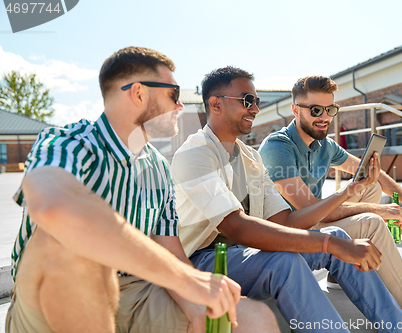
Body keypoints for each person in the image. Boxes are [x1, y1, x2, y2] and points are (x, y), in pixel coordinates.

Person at [5, 47, 280, 333]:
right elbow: (54, 209)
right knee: (65, 246)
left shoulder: (160, 168)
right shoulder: (67, 144)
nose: (180, 106)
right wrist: (185, 280)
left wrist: (196, 304)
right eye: (173, 95)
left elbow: (171, 250)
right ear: (138, 93)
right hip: (52, 297)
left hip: (138, 293)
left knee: (252, 319)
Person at [171, 66, 402, 333]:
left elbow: (286, 220)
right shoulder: (195, 154)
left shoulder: (251, 158)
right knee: (287, 261)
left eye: (256, 101)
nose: (255, 109)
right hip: (203, 259)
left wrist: (346, 193)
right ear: (215, 104)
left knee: (337, 234)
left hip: (247, 253)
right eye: (247, 101)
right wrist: (327, 243)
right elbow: (236, 227)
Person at [258, 75, 402, 333]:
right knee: (372, 222)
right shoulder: (278, 147)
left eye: (330, 109)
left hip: (316, 221)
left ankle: (337, 272)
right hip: (291, 231)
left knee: (370, 183)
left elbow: (370, 173)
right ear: (296, 110)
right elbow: (310, 209)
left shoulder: (324, 145)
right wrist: (379, 209)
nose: (324, 117)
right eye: (316, 110)